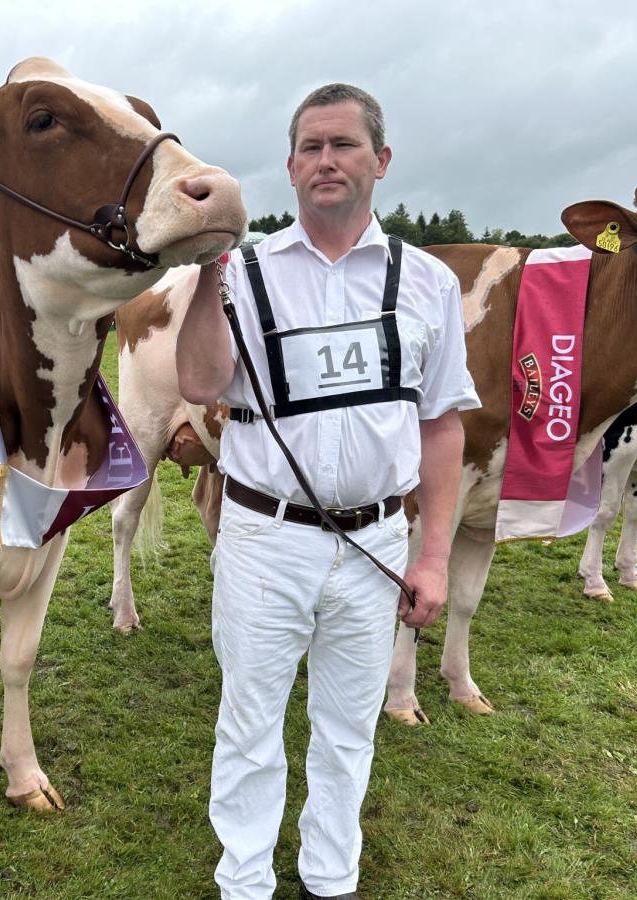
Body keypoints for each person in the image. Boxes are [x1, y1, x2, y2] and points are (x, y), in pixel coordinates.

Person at [176, 84, 479, 900]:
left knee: (347, 729)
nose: (325, 161)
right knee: (250, 723)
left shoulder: (427, 283)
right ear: (289, 167)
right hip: (265, 538)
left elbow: (443, 426)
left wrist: (437, 558)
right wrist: (206, 281)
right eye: (309, 147)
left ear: (380, 161)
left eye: (343, 144)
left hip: (377, 541)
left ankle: (330, 877)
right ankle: (242, 880)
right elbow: (199, 379)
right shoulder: (243, 272)